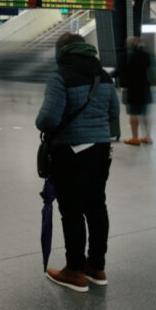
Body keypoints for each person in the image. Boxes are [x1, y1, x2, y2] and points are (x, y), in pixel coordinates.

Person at [36, 33, 119, 292]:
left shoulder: (60, 76)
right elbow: (114, 114)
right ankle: (97, 267)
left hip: (71, 153)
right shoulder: (103, 76)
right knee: (96, 207)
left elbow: (47, 120)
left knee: (71, 211)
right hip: (101, 151)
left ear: (61, 53)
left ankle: (75, 271)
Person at [117, 37, 153, 145]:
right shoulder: (146, 55)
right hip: (144, 86)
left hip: (131, 87)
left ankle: (135, 138)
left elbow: (120, 70)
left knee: (133, 112)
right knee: (144, 112)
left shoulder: (126, 56)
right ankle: (147, 136)